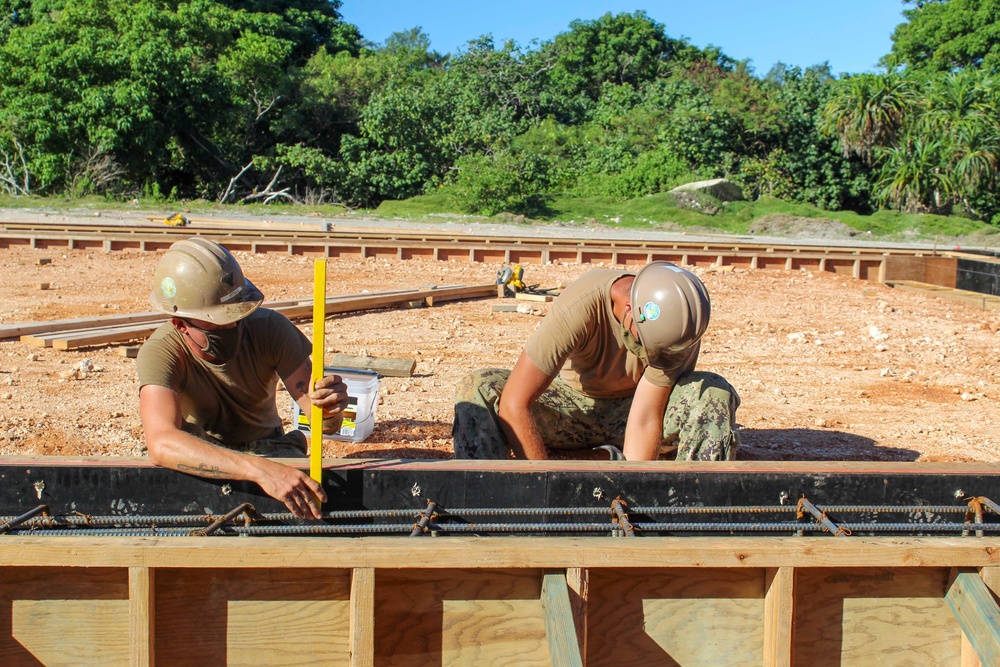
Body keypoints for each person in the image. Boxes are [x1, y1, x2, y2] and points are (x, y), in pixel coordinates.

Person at [137, 238, 347, 519]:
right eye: (220, 320)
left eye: (238, 314)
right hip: (203, 455)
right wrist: (258, 471)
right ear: (180, 324)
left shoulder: (271, 330)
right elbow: (162, 443)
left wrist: (331, 411)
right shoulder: (162, 352)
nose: (234, 326)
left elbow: (324, 421)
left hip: (268, 447)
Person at [453, 261, 739, 461]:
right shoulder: (582, 303)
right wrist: (543, 488)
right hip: (572, 411)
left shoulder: (678, 325)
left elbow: (646, 415)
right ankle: (483, 501)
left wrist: (632, 494)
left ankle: (693, 510)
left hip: (634, 412)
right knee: (478, 387)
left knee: (713, 393)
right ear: (629, 309)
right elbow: (515, 402)